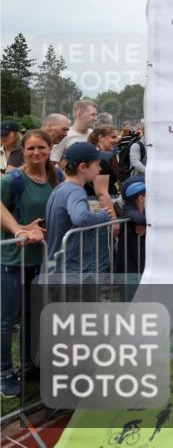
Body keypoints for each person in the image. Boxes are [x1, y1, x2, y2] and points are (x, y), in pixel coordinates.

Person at [0, 130, 60, 398]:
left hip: (39, 260)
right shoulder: (13, 178)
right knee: (6, 320)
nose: (36, 153)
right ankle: (5, 374)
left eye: (42, 148)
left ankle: (27, 365)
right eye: (31, 148)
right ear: (22, 150)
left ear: (50, 148)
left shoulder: (53, 176)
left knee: (31, 318)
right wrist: (18, 230)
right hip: (12, 260)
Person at [44, 142, 113, 274]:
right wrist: (104, 215)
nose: (100, 169)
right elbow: (81, 217)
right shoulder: (75, 191)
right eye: (97, 165)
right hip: (71, 267)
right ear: (82, 167)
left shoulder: (61, 188)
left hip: (58, 264)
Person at [87, 125, 121, 272]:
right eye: (113, 137)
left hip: (98, 211)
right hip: (101, 212)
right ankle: (97, 293)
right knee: (100, 258)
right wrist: (113, 220)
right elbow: (101, 192)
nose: (117, 140)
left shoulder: (102, 157)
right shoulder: (99, 160)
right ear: (101, 137)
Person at [117, 176, 147, 275]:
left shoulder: (144, 211)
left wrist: (147, 228)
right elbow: (140, 219)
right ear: (141, 198)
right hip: (129, 270)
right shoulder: (128, 209)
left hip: (139, 267)